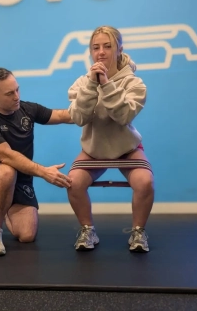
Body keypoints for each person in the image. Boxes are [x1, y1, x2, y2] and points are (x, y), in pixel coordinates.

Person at [67, 26, 154, 253]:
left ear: (119, 50)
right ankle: (87, 230)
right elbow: (78, 117)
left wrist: (106, 84)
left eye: (107, 46)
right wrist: (92, 85)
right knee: (73, 182)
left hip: (127, 147)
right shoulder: (80, 83)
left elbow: (123, 116)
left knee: (145, 182)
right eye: (96, 47)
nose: (101, 52)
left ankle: (138, 231)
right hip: (94, 149)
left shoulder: (135, 83)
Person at [0, 67, 72, 256]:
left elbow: (61, 115)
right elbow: (7, 156)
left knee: (27, 235)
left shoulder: (27, 109)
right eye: (10, 93)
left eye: (17, 89)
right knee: (7, 171)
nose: (16, 96)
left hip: (22, 180)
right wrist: (44, 172)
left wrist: (93, 112)